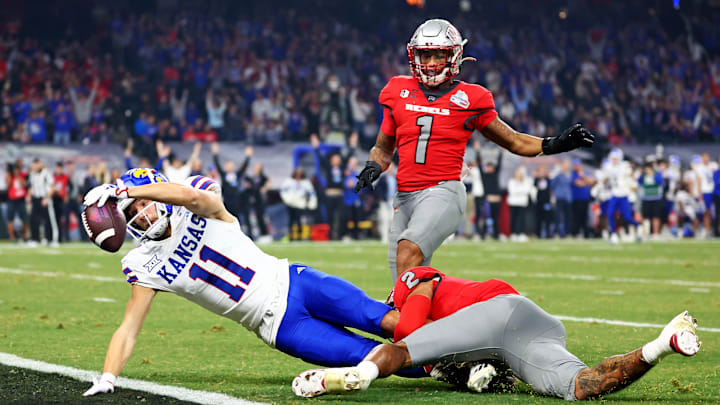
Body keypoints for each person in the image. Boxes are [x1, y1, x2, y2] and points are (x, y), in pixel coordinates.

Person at [81, 168, 401, 397]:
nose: (143, 214)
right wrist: (108, 377)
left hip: (295, 281)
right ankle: (441, 368)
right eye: (133, 211)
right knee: (364, 355)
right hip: (277, 325)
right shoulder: (142, 262)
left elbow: (190, 195)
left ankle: (446, 339)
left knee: (383, 319)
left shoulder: (195, 203)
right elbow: (128, 327)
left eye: (144, 203)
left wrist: (126, 191)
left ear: (157, 192)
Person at [353, 19, 594, 281]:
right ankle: (432, 318)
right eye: (425, 54)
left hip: (442, 192)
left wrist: (556, 143)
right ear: (414, 55)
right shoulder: (396, 90)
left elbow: (513, 140)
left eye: (438, 54)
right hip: (404, 197)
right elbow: (383, 147)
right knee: (404, 288)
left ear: (454, 56)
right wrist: (373, 166)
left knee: (407, 250)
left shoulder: (471, 98)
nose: (432, 62)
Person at [292, 267, 702, 400]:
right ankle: (661, 344)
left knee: (399, 350)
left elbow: (408, 329)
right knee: (581, 387)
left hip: (495, 315)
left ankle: (353, 378)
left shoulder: (408, 284)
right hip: (533, 326)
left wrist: (435, 365)